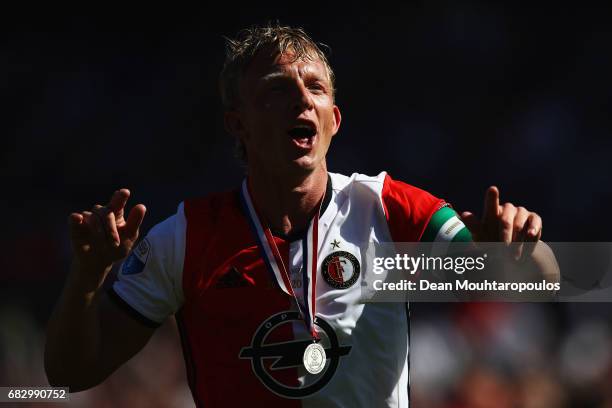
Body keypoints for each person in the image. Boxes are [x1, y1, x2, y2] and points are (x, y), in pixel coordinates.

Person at [44, 24, 559, 407]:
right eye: (276, 90)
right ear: (237, 124)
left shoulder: (387, 209)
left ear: (334, 120)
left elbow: (545, 283)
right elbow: (70, 373)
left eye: (314, 88)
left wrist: (521, 250)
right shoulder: (186, 237)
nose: (301, 101)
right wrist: (87, 278)